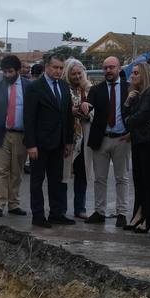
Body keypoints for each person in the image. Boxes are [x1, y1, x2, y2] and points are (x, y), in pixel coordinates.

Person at [23, 54, 74, 228]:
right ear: (47, 67)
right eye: (55, 67)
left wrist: (68, 142)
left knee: (56, 180)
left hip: (59, 143)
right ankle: (38, 216)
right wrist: (31, 144)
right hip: (39, 143)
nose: (58, 71)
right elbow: (28, 118)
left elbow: (67, 116)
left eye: (61, 68)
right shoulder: (35, 87)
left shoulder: (64, 86)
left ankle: (56, 213)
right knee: (37, 181)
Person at [85, 56, 131, 227]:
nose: (108, 70)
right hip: (101, 139)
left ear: (119, 69)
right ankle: (99, 211)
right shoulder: (96, 90)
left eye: (112, 67)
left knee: (122, 178)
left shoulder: (129, 88)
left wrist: (131, 132)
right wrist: (84, 107)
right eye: (105, 68)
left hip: (122, 139)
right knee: (99, 178)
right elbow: (88, 106)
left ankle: (122, 213)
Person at [0, 54, 28, 218]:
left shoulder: (28, 87)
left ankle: (14, 204)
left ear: (18, 70)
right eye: (5, 72)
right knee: (0, 171)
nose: (7, 75)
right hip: (1, 134)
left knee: (16, 171)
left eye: (10, 72)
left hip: (21, 136)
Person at [123, 61, 150, 233]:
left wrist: (129, 120)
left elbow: (140, 116)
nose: (132, 76)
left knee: (147, 181)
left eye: (136, 73)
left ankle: (149, 218)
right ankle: (139, 213)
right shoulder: (138, 94)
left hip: (148, 142)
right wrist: (128, 102)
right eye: (132, 73)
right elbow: (127, 116)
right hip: (139, 141)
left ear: (145, 74)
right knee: (139, 180)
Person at [63, 58, 93, 218]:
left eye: (79, 73)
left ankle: (80, 208)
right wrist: (71, 112)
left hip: (85, 138)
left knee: (82, 175)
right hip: (69, 138)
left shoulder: (88, 89)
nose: (76, 76)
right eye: (73, 73)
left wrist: (87, 113)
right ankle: (60, 209)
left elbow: (97, 110)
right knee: (63, 175)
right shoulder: (63, 89)